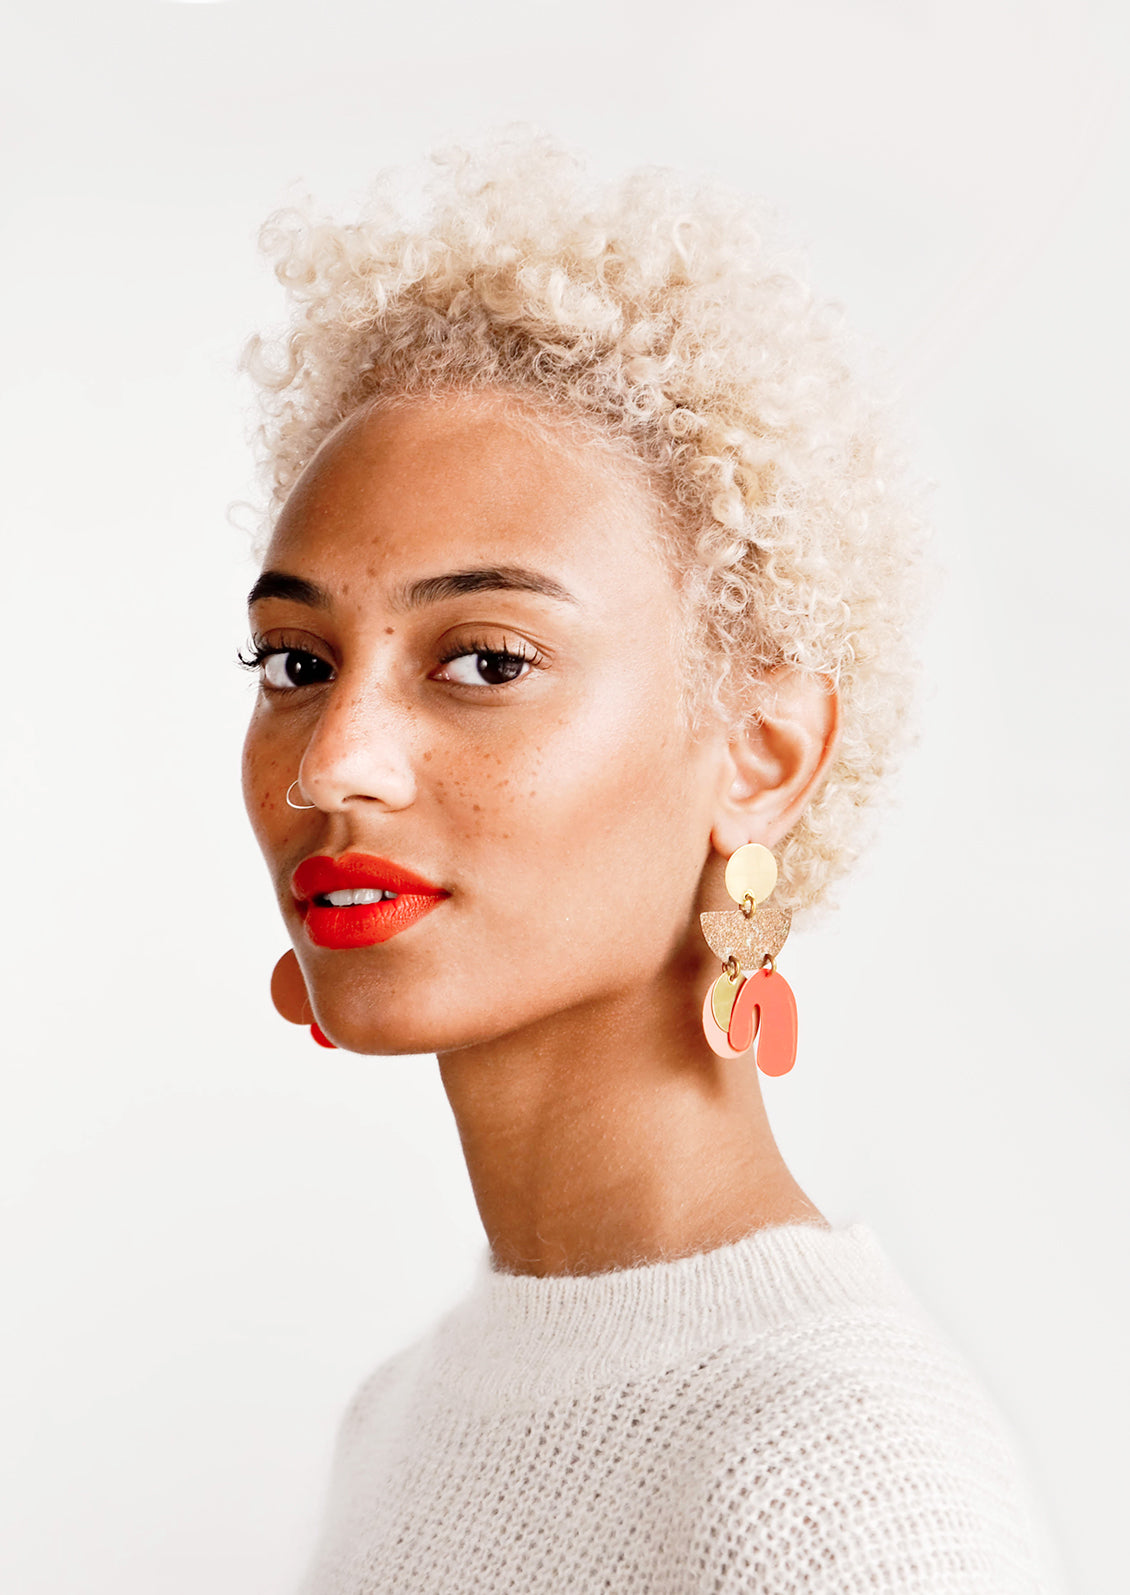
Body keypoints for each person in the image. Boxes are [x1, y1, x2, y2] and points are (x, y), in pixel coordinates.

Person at [237, 132, 1053, 1593]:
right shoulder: (401, 1414)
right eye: (297, 659)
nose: (330, 761)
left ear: (760, 753)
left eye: (483, 660)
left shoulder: (843, 1489)